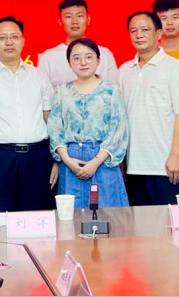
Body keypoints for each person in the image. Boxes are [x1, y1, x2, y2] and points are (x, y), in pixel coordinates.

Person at [0, 16, 58, 212]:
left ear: (23, 41)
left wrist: (56, 160)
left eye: (14, 37)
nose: (9, 42)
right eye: (2, 38)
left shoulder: (39, 76)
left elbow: (50, 120)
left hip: (38, 158)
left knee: (38, 217)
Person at [118, 11, 179, 206]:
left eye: (145, 29)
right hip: (133, 165)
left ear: (158, 33)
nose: (139, 35)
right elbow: (119, 118)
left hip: (165, 165)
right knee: (139, 222)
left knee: (168, 221)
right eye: (133, 31)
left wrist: (175, 155)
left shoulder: (174, 67)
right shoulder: (124, 70)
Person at [48, 38, 129, 209]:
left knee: (107, 214)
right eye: (76, 58)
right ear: (69, 63)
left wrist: (96, 162)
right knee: (72, 215)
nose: (83, 62)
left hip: (103, 159)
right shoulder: (61, 92)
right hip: (71, 160)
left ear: (98, 61)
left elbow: (118, 130)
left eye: (89, 57)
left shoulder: (112, 91)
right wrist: (66, 159)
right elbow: (55, 128)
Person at [38, 0, 118, 87]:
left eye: (80, 16)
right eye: (68, 17)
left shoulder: (105, 54)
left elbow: (114, 89)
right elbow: (44, 92)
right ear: (60, 21)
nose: (74, 21)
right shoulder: (48, 58)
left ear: (88, 19)